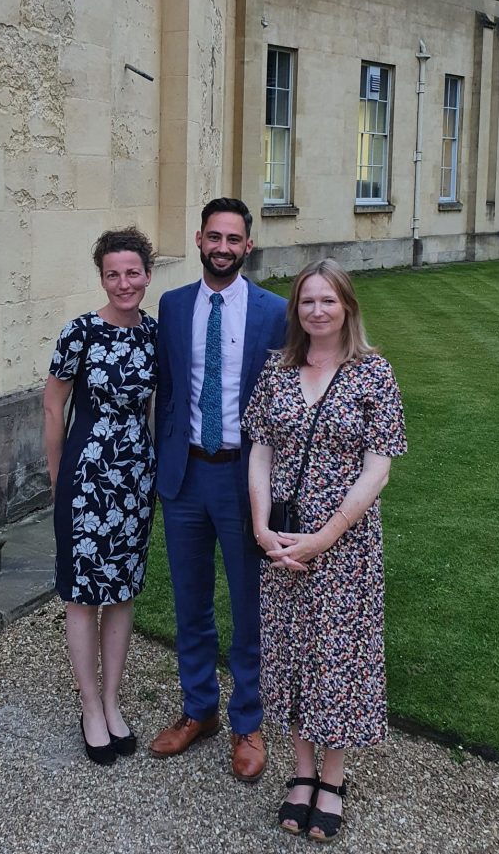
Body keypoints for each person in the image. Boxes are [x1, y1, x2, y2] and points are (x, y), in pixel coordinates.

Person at [241, 258, 407, 840]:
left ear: (347, 307)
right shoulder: (277, 370)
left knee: (337, 660)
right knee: (290, 656)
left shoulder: (373, 373)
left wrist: (325, 536)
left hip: (345, 548)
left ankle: (332, 781)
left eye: (327, 301)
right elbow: (260, 450)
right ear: (297, 310)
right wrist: (262, 528)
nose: (317, 311)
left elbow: (377, 470)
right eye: (307, 301)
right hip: (281, 542)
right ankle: (301, 773)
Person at [149, 197, 287, 782]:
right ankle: (198, 708)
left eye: (234, 239)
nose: (223, 248)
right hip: (185, 475)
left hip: (244, 477)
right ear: (199, 239)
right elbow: (167, 386)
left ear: (247, 246)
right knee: (191, 602)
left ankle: (247, 722)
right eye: (214, 237)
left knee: (250, 606)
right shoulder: (174, 305)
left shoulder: (274, 311)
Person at [43, 227, 157, 765]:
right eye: (113, 273)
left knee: (123, 590)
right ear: (101, 277)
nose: (123, 282)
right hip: (86, 476)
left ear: (147, 275)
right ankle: (89, 706)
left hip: (135, 479)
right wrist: (55, 475)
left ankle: (113, 701)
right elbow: (52, 408)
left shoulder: (154, 335)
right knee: (83, 593)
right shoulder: (79, 334)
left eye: (132, 272)